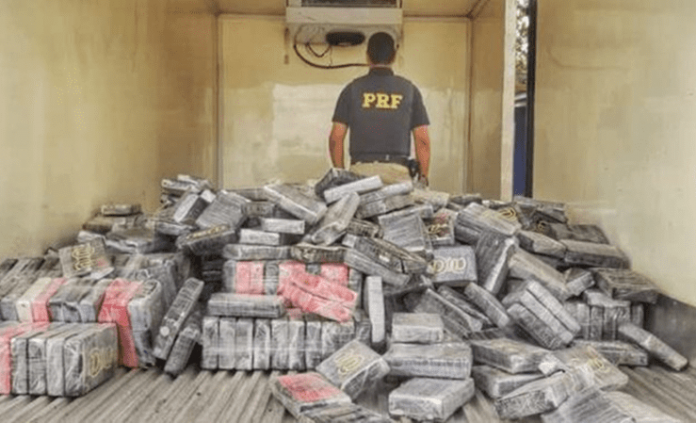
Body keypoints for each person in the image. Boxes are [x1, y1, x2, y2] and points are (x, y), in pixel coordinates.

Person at [328, 32, 432, 186]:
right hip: (398, 173)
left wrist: (341, 175)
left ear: (367, 57)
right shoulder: (410, 90)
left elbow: (336, 138)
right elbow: (422, 140)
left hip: (360, 173)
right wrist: (423, 178)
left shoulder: (352, 89)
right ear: (394, 56)